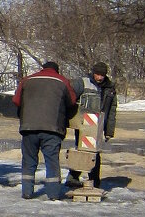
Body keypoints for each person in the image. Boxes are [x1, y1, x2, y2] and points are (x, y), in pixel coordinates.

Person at [13, 61, 78, 199]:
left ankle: (27, 192)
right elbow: (72, 101)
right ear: (57, 70)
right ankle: (53, 194)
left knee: (29, 160)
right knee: (51, 160)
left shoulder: (27, 80)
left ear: (42, 69)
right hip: (52, 128)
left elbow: (16, 100)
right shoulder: (62, 81)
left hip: (28, 127)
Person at [67, 62, 118, 188]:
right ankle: (73, 177)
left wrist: (109, 131)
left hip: (99, 124)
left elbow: (111, 111)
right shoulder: (83, 83)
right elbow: (70, 98)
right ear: (93, 73)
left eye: (102, 75)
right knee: (83, 149)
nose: (99, 78)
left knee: (94, 152)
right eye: (97, 74)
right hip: (84, 123)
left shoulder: (110, 88)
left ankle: (94, 180)